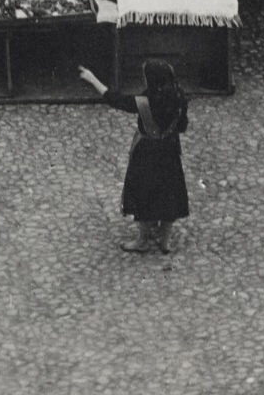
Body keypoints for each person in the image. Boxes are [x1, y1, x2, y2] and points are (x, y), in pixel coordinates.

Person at [79, 58, 192, 254]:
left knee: (144, 193)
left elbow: (115, 99)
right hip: (170, 151)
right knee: (168, 191)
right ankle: (165, 242)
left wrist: (93, 79)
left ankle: (142, 240)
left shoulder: (145, 102)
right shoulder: (180, 97)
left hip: (147, 152)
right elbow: (182, 126)